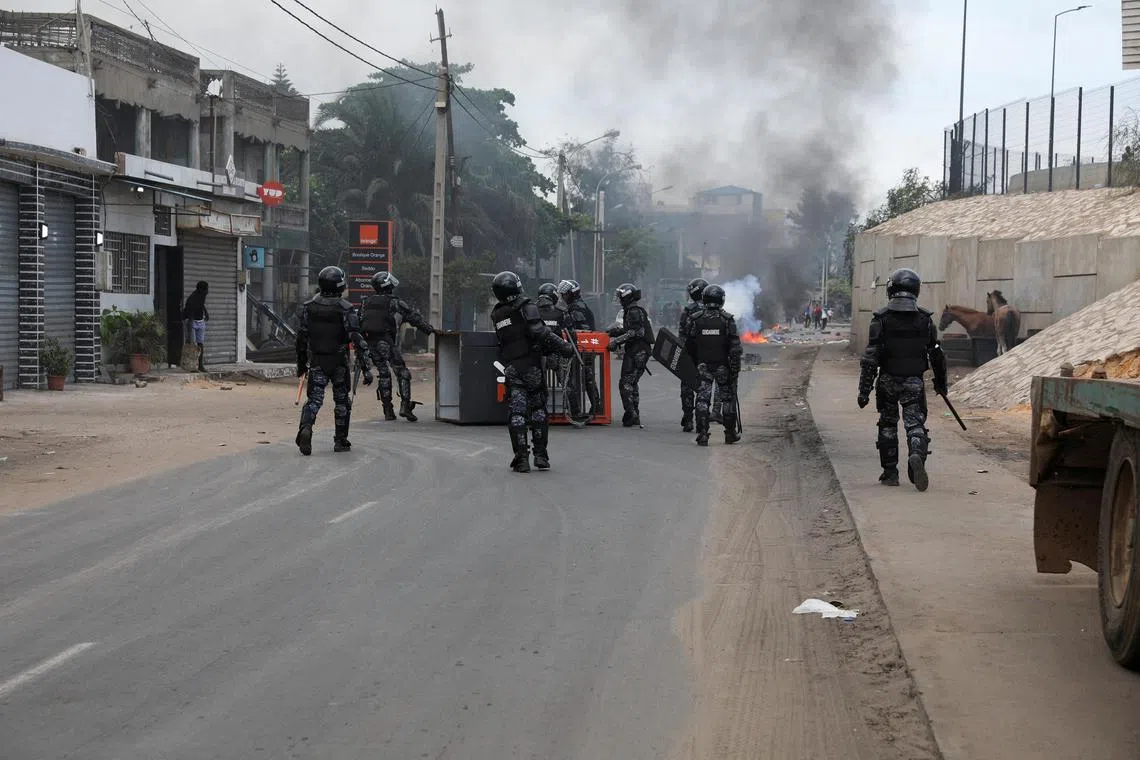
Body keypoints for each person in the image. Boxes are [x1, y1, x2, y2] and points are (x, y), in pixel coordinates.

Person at [857, 267, 948, 491]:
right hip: (913, 382)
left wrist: (864, 390)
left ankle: (890, 474)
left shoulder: (881, 319)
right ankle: (916, 454)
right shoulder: (926, 320)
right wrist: (941, 384)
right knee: (915, 424)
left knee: (887, 424)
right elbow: (937, 354)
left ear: (892, 289)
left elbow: (870, 357)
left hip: (887, 380)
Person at [491, 271, 574, 472]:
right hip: (531, 366)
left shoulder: (497, 314)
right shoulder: (527, 307)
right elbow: (540, 332)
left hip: (511, 367)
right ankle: (540, 455)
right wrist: (564, 347)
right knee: (537, 409)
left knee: (517, 412)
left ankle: (521, 458)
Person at [295, 266, 374, 456]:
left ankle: (306, 428)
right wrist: (366, 367)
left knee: (314, 401)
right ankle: (340, 440)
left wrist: (301, 364)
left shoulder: (309, 307)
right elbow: (356, 338)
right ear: (340, 285)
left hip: (317, 362)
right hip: (338, 362)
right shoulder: (345, 308)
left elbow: (301, 338)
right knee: (342, 402)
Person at [359, 271, 434, 422]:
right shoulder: (394, 302)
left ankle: (388, 410)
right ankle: (405, 406)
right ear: (387, 284)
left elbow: (359, 322)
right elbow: (414, 318)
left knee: (384, 374)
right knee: (403, 372)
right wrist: (430, 330)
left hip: (369, 343)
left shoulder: (366, 301)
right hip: (385, 341)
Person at [683, 284, 742, 446]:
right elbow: (735, 348)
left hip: (703, 366)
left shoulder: (695, 319)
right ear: (721, 300)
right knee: (728, 398)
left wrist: (695, 364)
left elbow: (689, 346)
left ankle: (702, 434)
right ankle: (730, 433)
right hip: (723, 366)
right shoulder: (727, 320)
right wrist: (735, 369)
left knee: (702, 399)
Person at [607, 282, 654, 428]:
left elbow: (637, 332)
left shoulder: (633, 310)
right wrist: (616, 332)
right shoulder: (631, 310)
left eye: (620, 297)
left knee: (625, 383)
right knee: (632, 382)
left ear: (626, 297)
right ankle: (634, 413)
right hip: (639, 349)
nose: (619, 299)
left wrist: (616, 341)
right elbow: (632, 329)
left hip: (638, 350)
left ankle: (631, 413)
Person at [557, 279, 601, 418]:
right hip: (583, 347)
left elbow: (582, 331)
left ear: (571, 294)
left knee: (585, 376)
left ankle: (595, 407)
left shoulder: (577, 308)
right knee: (585, 376)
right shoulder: (578, 306)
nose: (563, 297)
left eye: (565, 294)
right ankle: (593, 407)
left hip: (583, 348)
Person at [677, 277, 708, 432]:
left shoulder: (689, 310)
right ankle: (702, 420)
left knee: (687, 386)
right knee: (704, 387)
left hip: (690, 353)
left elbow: (682, 334)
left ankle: (688, 419)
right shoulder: (715, 310)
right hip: (708, 355)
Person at [182, 280, 209, 372]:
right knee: (192, 345)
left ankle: (200, 365)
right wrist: (190, 328)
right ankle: (192, 366)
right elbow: (189, 315)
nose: (207, 291)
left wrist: (206, 312)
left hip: (200, 322)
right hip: (191, 322)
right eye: (206, 289)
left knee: (200, 344)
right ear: (201, 290)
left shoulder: (202, 296)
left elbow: (201, 305)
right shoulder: (192, 299)